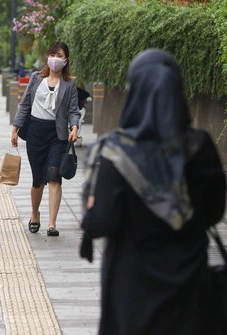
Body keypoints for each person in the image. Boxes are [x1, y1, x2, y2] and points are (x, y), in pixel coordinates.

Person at [80, 49, 227, 335]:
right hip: (189, 289)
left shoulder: (115, 153)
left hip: (130, 292)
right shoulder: (201, 147)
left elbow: (99, 222)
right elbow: (214, 213)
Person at [11, 41, 80, 237]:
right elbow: (25, 105)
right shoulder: (35, 78)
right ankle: (35, 214)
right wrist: (15, 128)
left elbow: (73, 110)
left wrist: (74, 127)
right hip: (35, 132)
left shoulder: (69, 84)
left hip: (57, 135)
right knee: (37, 180)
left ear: (66, 60)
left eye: (59, 55)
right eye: (52, 54)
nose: (55, 59)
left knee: (54, 175)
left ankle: (52, 223)